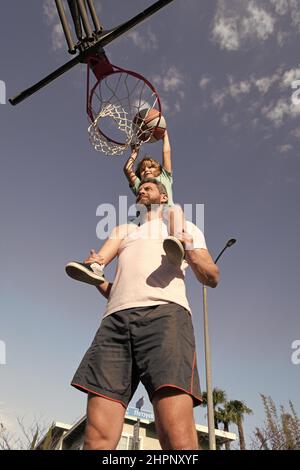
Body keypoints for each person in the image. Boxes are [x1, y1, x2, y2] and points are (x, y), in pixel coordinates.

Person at [70, 179, 219, 450]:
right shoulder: (124, 231)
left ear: (163, 196)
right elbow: (115, 291)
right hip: (115, 323)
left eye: (149, 187)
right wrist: (97, 278)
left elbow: (212, 277)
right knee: (96, 438)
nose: (142, 190)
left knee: (177, 437)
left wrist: (191, 252)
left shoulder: (185, 226)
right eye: (140, 188)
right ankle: (96, 266)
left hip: (165, 318)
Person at [65, 129, 186, 285]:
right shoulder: (140, 185)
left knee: (175, 210)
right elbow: (127, 169)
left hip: (162, 214)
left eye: (150, 168)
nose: (146, 170)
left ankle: (177, 246)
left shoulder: (165, 178)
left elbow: (167, 153)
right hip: (142, 220)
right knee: (119, 230)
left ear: (159, 170)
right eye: (142, 169)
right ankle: (95, 266)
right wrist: (134, 153)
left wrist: (165, 135)